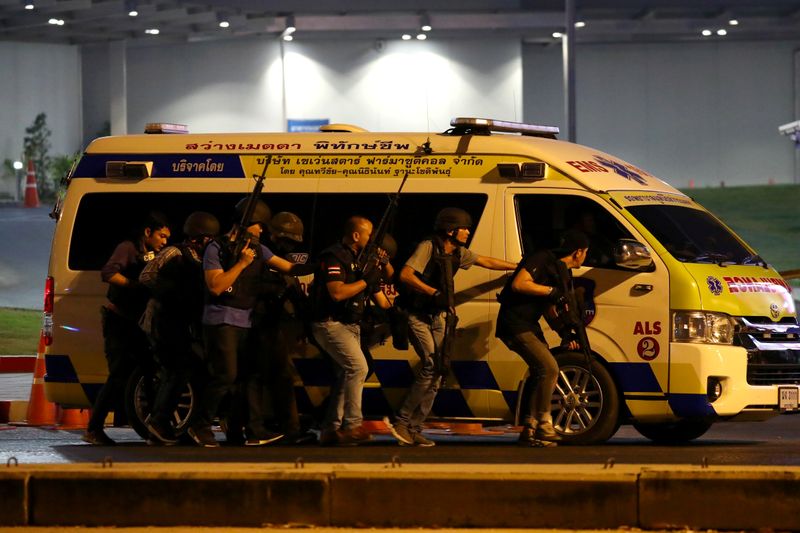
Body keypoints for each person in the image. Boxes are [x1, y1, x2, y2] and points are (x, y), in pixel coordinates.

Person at [385, 207, 516, 447]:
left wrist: (517, 267)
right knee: (429, 365)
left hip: (436, 316)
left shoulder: (458, 253)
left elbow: (485, 261)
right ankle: (401, 422)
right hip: (416, 315)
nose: (468, 232)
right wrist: (432, 291)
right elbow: (405, 275)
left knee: (440, 370)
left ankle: (414, 428)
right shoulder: (428, 247)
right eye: (464, 228)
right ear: (450, 230)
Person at [190, 198, 313, 448]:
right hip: (220, 320)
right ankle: (200, 426)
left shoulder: (257, 248)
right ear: (246, 223)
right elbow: (216, 286)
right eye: (258, 226)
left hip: (244, 322)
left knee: (242, 380)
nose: (261, 231)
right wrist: (242, 263)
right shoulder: (217, 248)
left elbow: (288, 267)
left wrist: (321, 267)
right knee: (225, 375)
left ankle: (240, 431)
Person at [495, 229, 589, 447]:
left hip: (529, 324)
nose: (586, 257)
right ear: (578, 252)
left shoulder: (562, 271)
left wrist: (564, 332)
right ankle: (544, 424)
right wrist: (550, 291)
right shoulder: (542, 258)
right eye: (586, 252)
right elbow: (519, 283)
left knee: (540, 372)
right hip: (514, 323)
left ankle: (529, 428)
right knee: (549, 368)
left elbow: (549, 308)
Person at [82, 212, 171, 445]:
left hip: (136, 322)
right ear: (148, 232)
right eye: (161, 236)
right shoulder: (128, 247)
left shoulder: (153, 253)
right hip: (118, 322)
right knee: (119, 375)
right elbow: (108, 273)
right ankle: (94, 428)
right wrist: (134, 286)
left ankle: (154, 426)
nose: (164, 241)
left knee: (149, 368)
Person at [138, 211, 220, 445]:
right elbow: (146, 277)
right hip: (163, 321)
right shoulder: (174, 252)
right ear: (198, 237)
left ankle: (162, 425)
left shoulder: (201, 258)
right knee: (177, 370)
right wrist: (171, 294)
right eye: (208, 238)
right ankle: (159, 421)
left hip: (180, 323)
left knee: (186, 370)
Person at [311, 216, 391, 446]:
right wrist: (366, 281)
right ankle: (353, 425)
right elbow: (337, 293)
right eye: (368, 234)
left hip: (350, 324)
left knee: (345, 376)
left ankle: (330, 429)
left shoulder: (360, 259)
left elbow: (383, 294)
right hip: (330, 323)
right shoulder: (334, 256)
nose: (371, 239)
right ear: (356, 235)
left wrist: (381, 271)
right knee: (358, 368)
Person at [247, 211, 317, 445]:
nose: (290, 246)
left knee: (271, 376)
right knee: (264, 376)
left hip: (268, 322)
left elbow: (294, 284)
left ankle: (278, 427)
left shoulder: (271, 254)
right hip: (257, 322)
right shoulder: (260, 254)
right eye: (287, 240)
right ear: (275, 235)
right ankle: (280, 429)